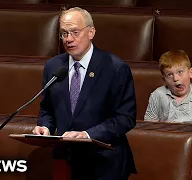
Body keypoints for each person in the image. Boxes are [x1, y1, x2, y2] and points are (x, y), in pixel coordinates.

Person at [32, 7, 137, 180]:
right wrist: (45, 126)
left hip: (104, 163)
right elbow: (47, 109)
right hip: (66, 161)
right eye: (64, 33)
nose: (69, 39)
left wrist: (87, 135)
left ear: (91, 32)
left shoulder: (115, 68)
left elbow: (125, 118)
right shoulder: (53, 67)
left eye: (75, 32)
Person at [144, 50, 192, 180]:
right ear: (164, 79)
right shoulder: (157, 96)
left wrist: (186, 148)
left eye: (180, 72)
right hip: (166, 146)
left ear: (191, 73)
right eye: (169, 75)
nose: (176, 79)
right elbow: (149, 126)